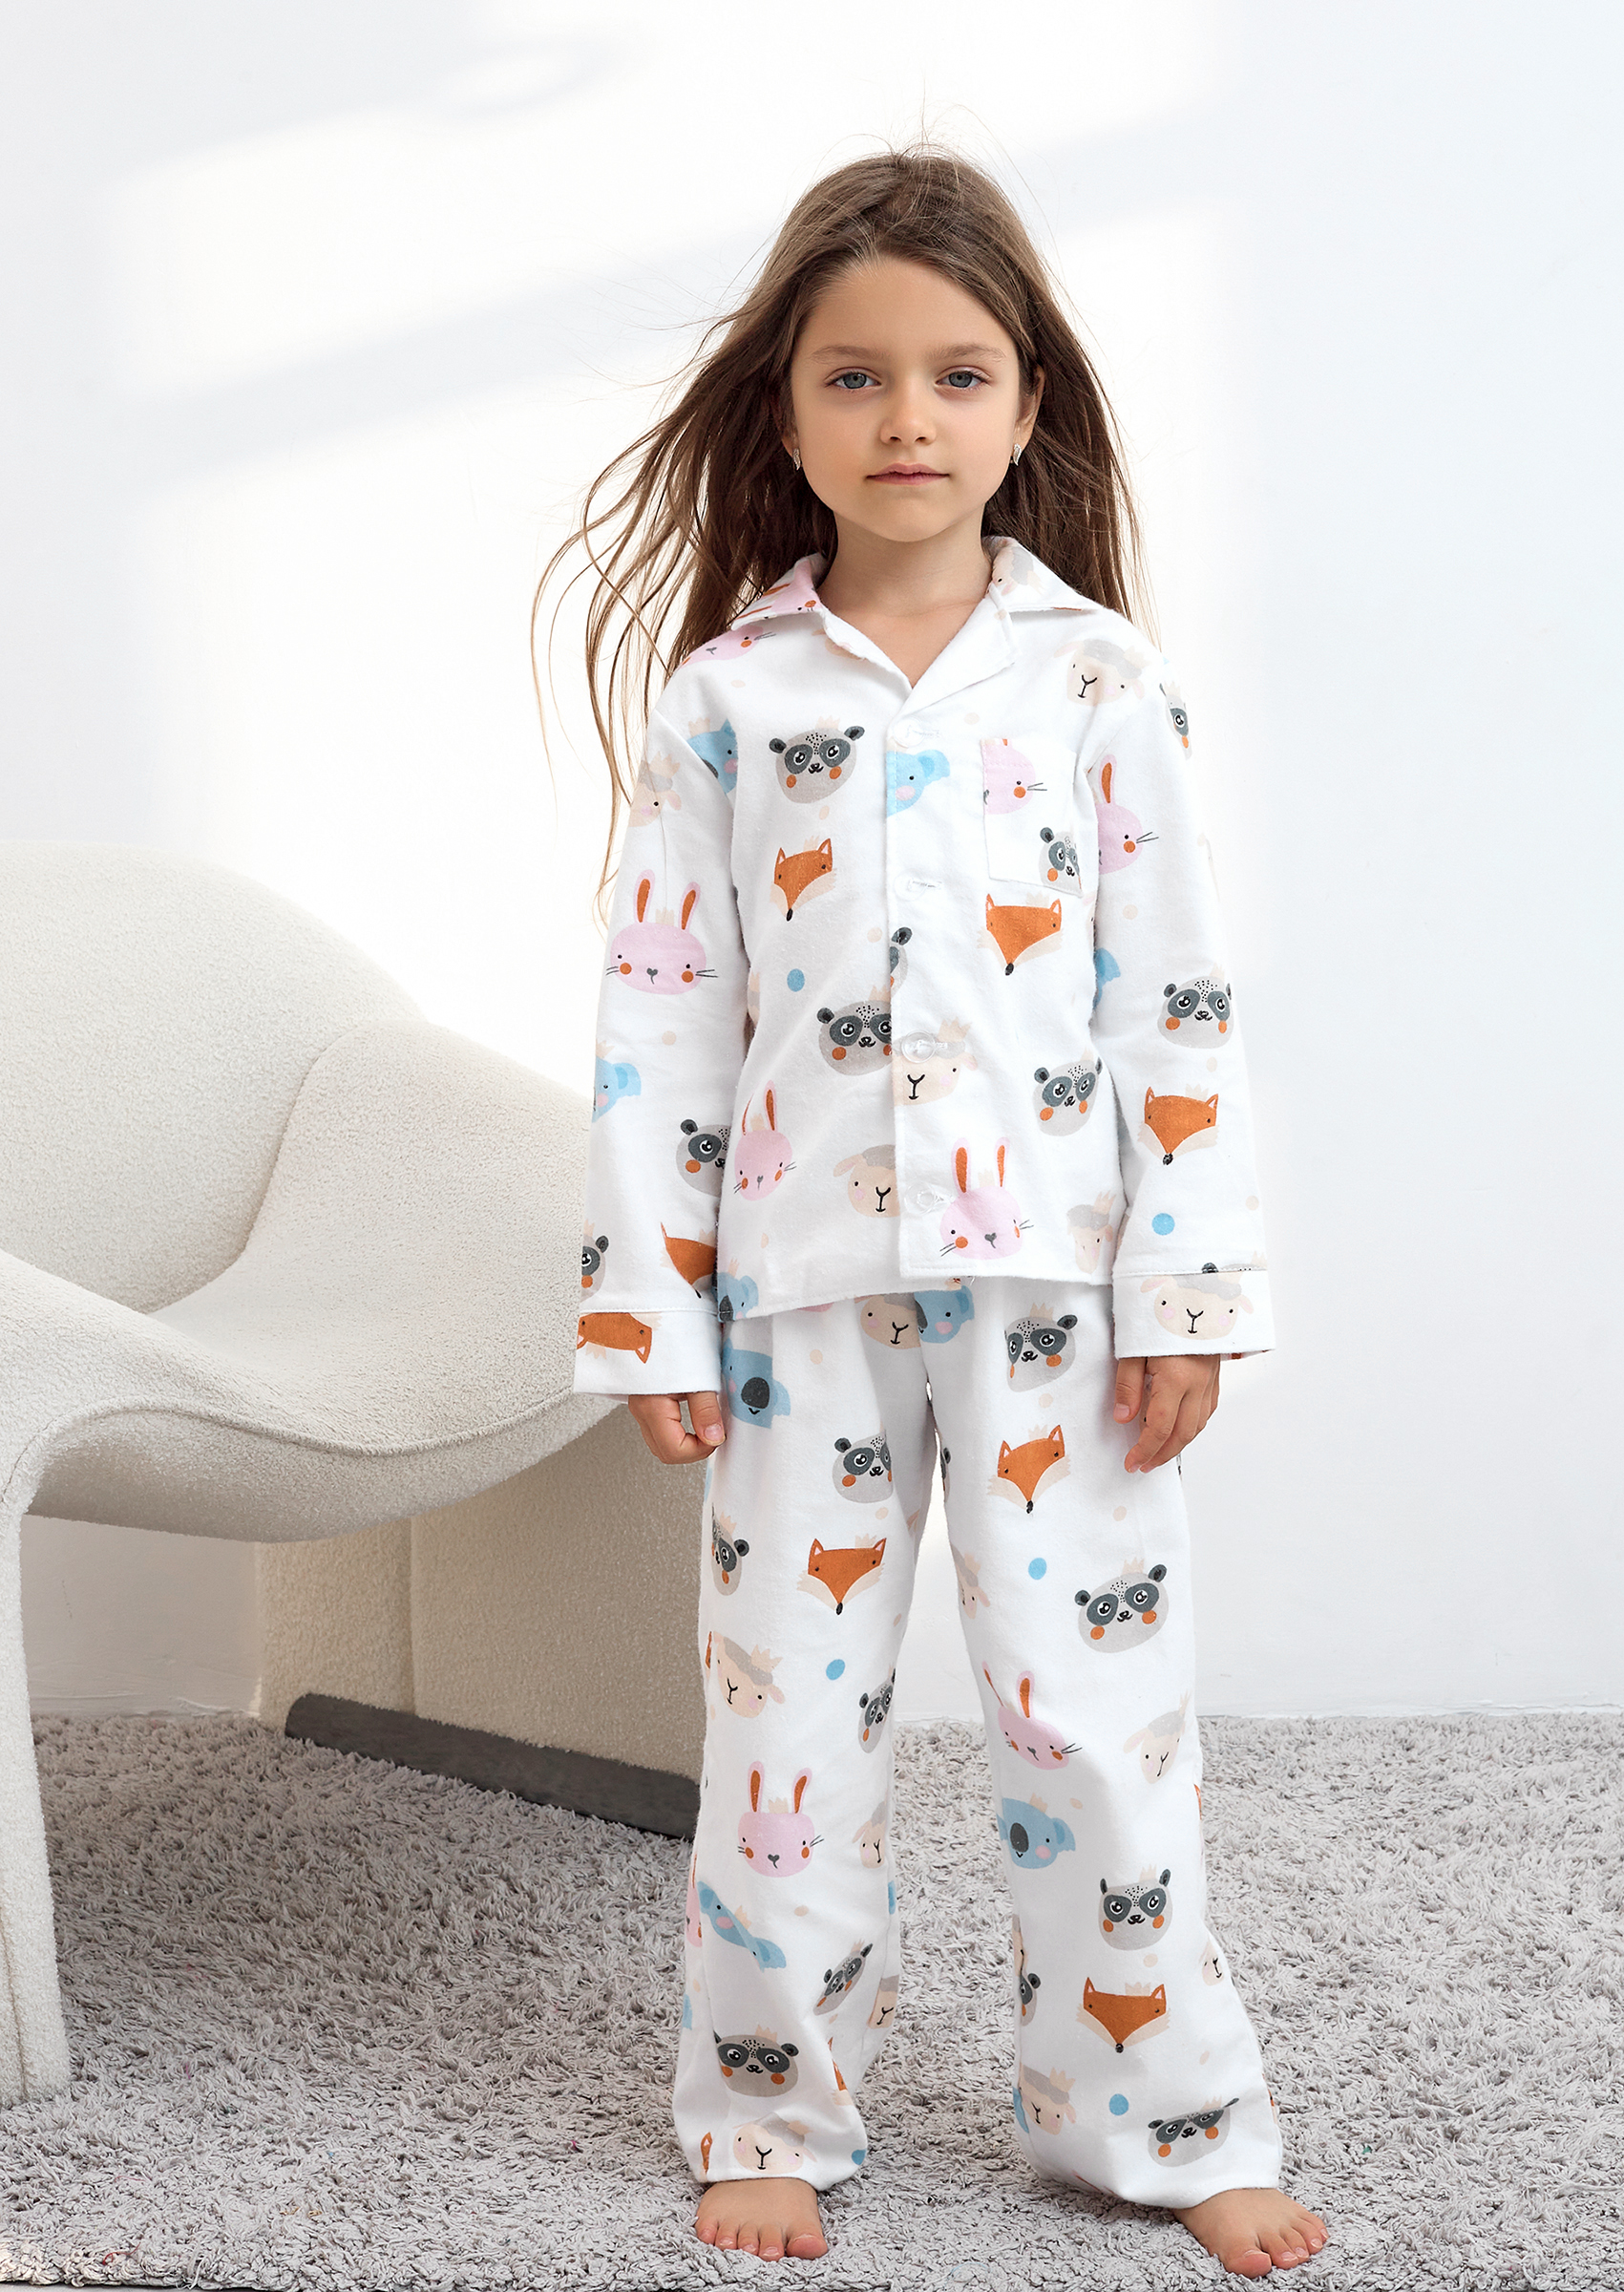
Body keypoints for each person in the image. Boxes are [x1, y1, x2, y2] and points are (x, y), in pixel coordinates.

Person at [549, 145, 1328, 2280]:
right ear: (786, 413)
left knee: (1094, 1716)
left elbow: (1173, 1005)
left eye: (958, 374)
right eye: (856, 376)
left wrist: (1190, 1286)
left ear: (1027, 404)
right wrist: (649, 1307)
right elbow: (662, 1020)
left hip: (1061, 1289)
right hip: (796, 1296)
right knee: (786, 1724)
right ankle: (766, 2102)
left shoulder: (1098, 684)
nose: (909, 417)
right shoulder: (729, 700)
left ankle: (1164, 2115)